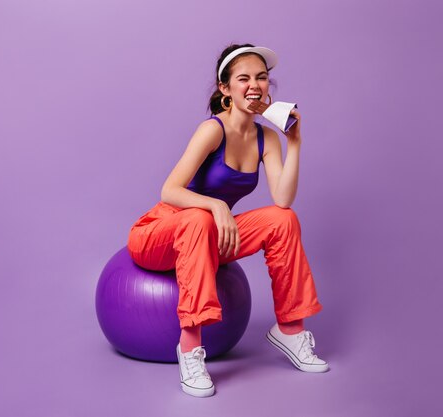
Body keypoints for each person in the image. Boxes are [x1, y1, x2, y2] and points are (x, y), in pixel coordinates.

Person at [126, 43, 328, 398]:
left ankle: (291, 331)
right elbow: (169, 190)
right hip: (159, 234)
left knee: (284, 219)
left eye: (262, 78)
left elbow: (282, 198)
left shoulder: (267, 139)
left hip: (206, 238)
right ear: (226, 89)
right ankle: (189, 349)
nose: (255, 85)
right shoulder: (212, 130)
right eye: (244, 78)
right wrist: (217, 207)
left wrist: (294, 141)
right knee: (199, 220)